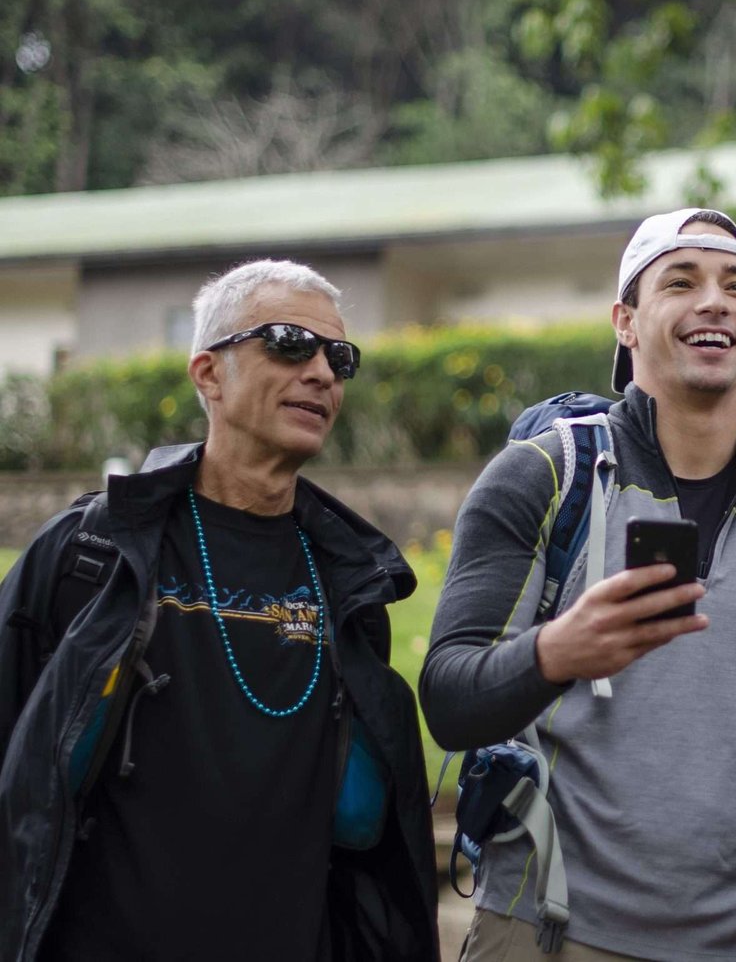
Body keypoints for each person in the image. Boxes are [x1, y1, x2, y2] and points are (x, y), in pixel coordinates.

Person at [421, 208, 736, 960]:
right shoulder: (545, 477)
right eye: (682, 281)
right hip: (551, 930)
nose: (715, 301)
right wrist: (556, 653)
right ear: (626, 322)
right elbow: (449, 697)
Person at [0, 260, 439, 962]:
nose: (323, 372)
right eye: (291, 342)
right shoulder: (89, 555)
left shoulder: (352, 582)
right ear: (209, 374)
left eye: (339, 355)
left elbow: (362, 829)